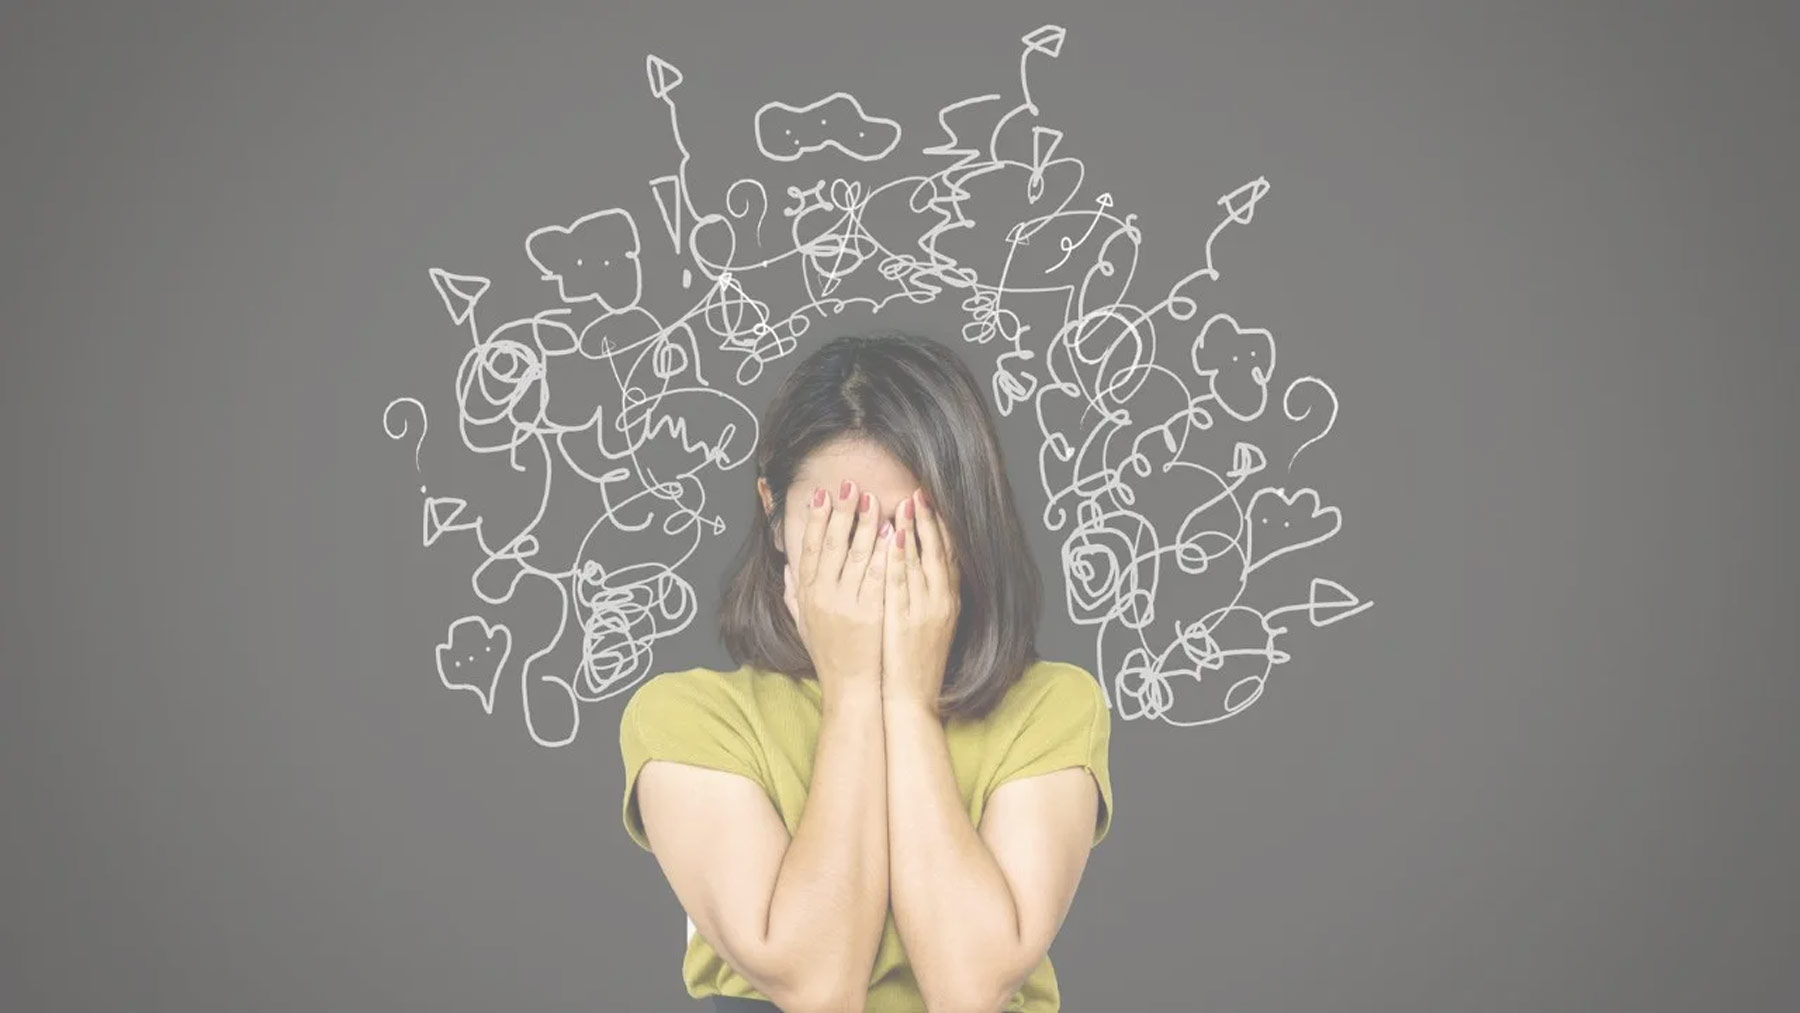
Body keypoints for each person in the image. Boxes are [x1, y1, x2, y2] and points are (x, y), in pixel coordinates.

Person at [619, 332, 1114, 1012]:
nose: (878, 564)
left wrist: (907, 701)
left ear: (968, 524)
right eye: (843, 528)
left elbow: (971, 988)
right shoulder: (688, 717)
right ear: (775, 515)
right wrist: (853, 692)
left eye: (912, 529)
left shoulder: (1053, 705)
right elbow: (815, 986)